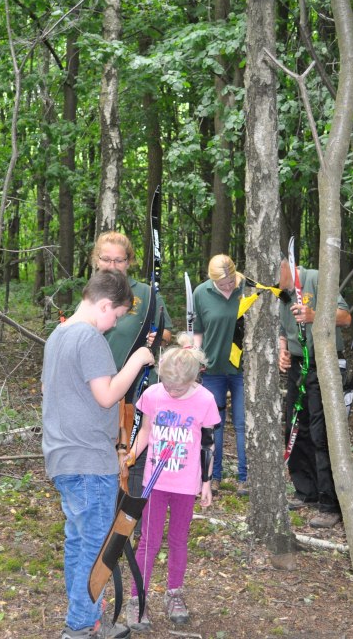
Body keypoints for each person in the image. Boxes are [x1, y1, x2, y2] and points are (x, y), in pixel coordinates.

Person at [42, 270, 155, 639]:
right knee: (95, 547)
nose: (114, 324)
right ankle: (78, 628)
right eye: (117, 316)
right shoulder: (89, 336)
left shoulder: (58, 335)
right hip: (88, 460)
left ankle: (85, 618)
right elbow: (107, 395)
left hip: (64, 456)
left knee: (79, 541)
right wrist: (137, 360)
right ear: (104, 305)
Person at [123, 334, 219, 631]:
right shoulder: (153, 394)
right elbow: (145, 432)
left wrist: (206, 482)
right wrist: (128, 458)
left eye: (178, 387)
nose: (172, 391)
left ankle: (174, 593)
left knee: (178, 540)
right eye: (168, 385)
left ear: (194, 379)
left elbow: (208, 444)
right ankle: (137, 598)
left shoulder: (205, 399)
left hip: (185, 484)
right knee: (148, 541)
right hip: (154, 482)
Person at [91, 231, 173, 498]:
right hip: (97, 385)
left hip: (135, 386)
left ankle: (129, 516)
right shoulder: (90, 293)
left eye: (119, 260)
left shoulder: (146, 294)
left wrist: (156, 337)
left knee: (133, 450)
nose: (112, 266)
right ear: (96, 260)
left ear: (129, 262)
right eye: (106, 259)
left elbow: (167, 332)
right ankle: (101, 506)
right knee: (100, 448)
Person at [278, 257, 352, 528]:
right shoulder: (281, 293)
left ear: (286, 265)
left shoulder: (317, 278)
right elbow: (284, 330)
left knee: (323, 434)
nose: (275, 284)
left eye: (276, 274)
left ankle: (330, 503)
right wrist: (282, 350)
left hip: (326, 363)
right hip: (299, 366)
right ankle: (305, 491)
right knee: (296, 427)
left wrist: (314, 316)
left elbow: (345, 317)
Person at [192, 254, 248, 495]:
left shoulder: (247, 287)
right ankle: (213, 477)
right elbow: (198, 331)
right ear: (211, 280)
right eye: (222, 284)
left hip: (242, 370)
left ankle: (244, 478)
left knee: (242, 423)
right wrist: (195, 359)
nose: (228, 286)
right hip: (212, 370)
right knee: (213, 424)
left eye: (231, 281)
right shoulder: (200, 293)